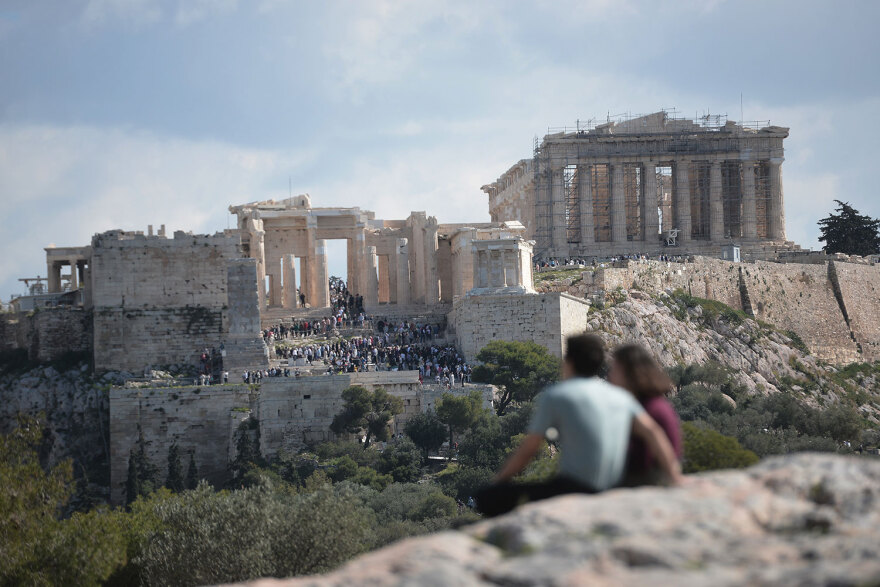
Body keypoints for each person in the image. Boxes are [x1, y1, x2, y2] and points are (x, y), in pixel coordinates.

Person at [475, 334, 683, 517]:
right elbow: (653, 432)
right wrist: (675, 477)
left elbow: (528, 450)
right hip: (614, 485)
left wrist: (500, 481)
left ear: (569, 362)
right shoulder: (622, 397)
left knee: (486, 497)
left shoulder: (556, 395)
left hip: (574, 488)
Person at [608, 344, 683, 487]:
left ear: (629, 373)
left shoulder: (647, 408)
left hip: (646, 479)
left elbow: (654, 433)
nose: (610, 375)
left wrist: (675, 477)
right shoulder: (652, 402)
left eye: (615, 369)